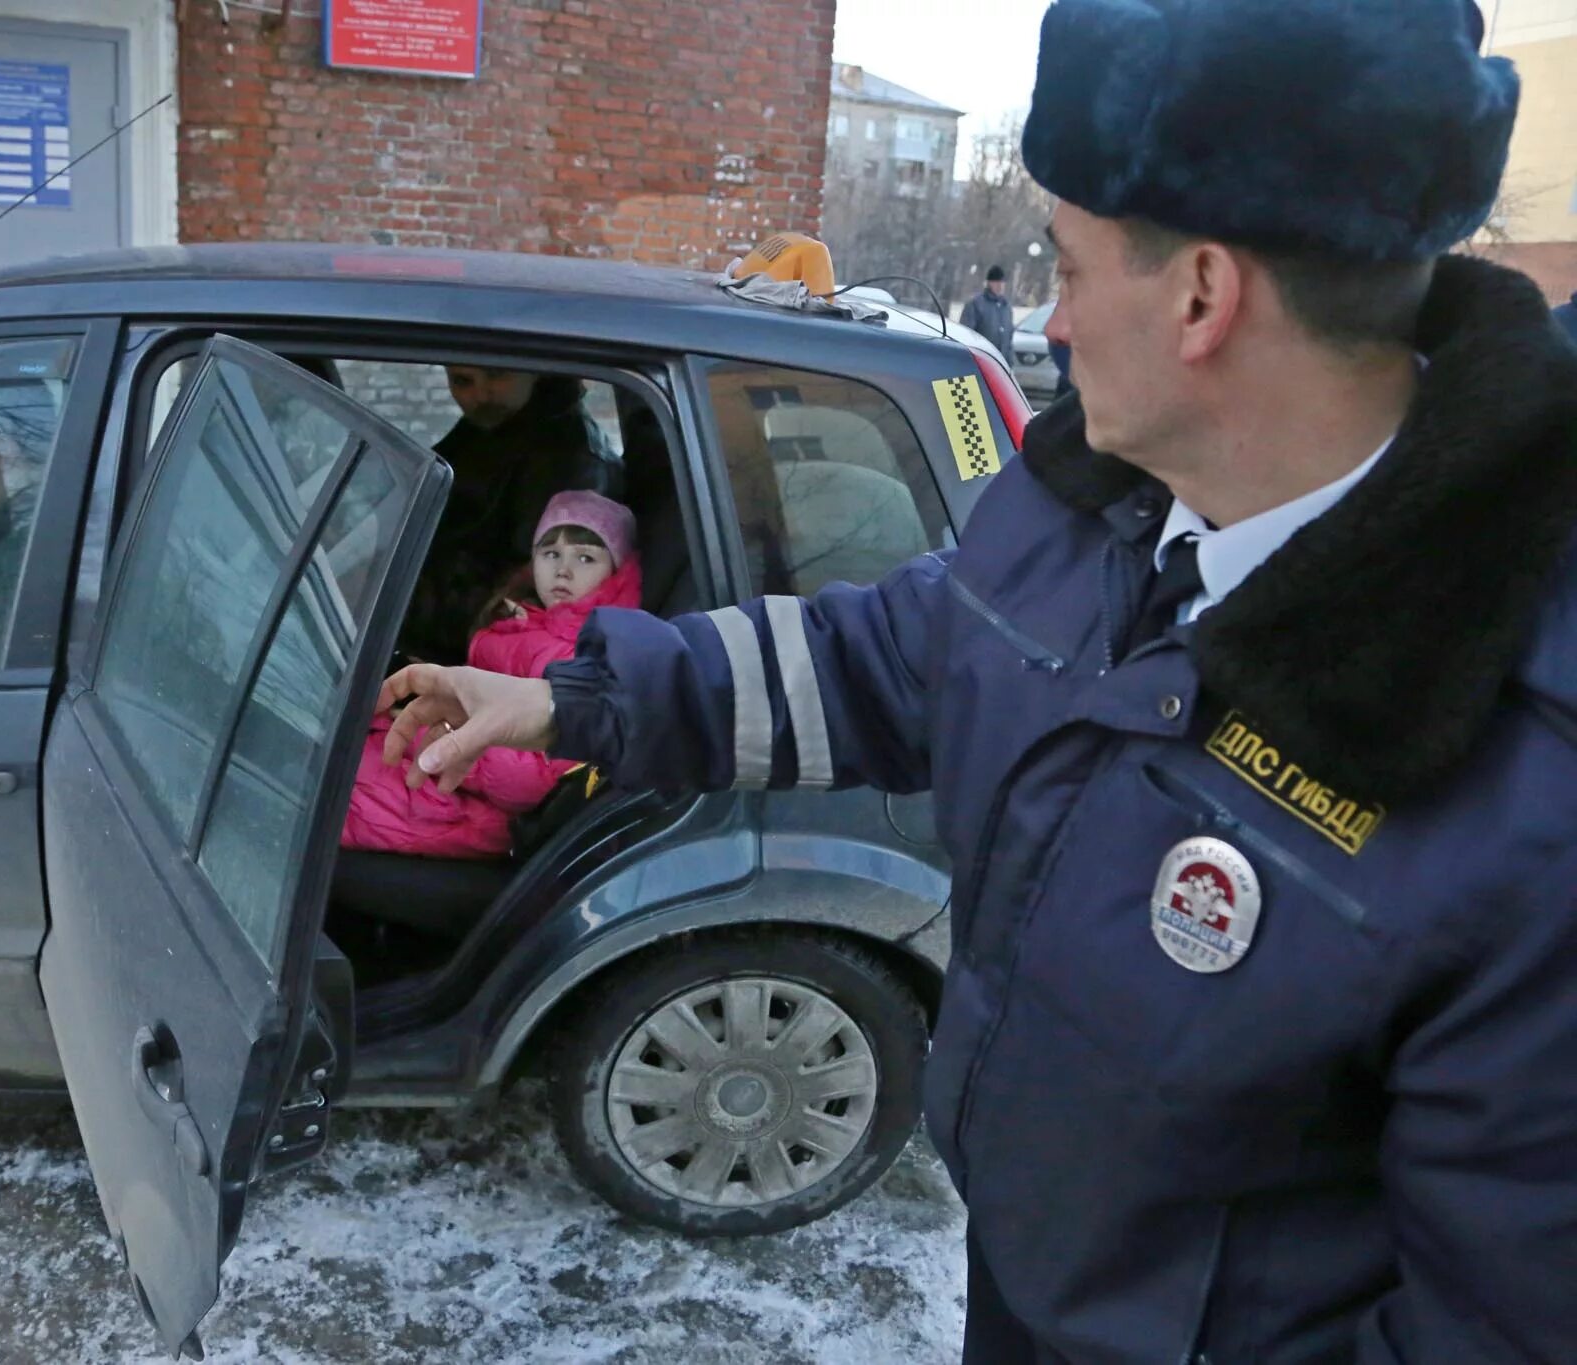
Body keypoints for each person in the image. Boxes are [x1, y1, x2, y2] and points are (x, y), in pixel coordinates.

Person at [374, 1, 1577, 1360]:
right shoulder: (1090, 505)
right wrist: (570, 700)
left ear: (1202, 297)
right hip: (1027, 1287)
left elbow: (1502, 1321)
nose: (1049, 321)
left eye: (1066, 265)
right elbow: (900, 656)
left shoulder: (1525, 782)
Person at [342, 491, 640, 860]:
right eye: (551, 554)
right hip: (447, 766)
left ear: (617, 572)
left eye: (585, 557)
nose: (563, 569)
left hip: (479, 808)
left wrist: (433, 734)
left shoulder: (588, 656)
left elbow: (528, 780)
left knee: (330, 793)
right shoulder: (528, 619)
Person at [396, 367, 623, 664]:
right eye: (462, 381)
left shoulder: (574, 467)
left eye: (497, 375)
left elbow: (525, 598)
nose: (481, 394)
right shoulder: (490, 428)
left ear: (535, 371)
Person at [959, 264, 1015, 359]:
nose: (1000, 285)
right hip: (981, 360)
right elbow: (966, 334)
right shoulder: (976, 304)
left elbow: (1009, 338)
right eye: (996, 282)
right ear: (989, 283)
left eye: (1002, 282)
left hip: (1001, 361)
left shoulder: (1006, 307)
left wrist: (1009, 364)